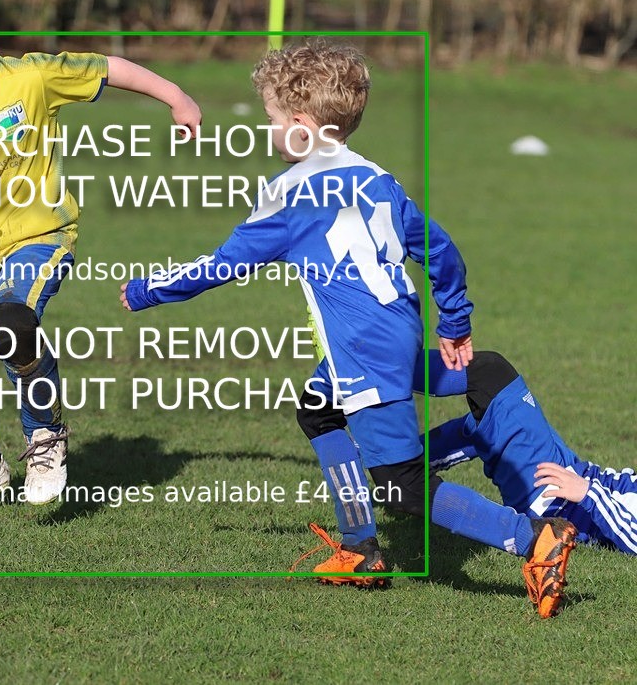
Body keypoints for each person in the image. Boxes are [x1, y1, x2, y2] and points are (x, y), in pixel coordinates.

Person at [121, 41, 575, 618]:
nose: (268, 132)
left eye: (273, 120)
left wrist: (144, 290)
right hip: (398, 324)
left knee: (401, 486)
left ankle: (532, 539)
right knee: (316, 407)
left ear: (304, 128)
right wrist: (454, 319)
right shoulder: (378, 179)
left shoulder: (289, 196)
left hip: (364, 345)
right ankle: (360, 547)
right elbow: (439, 248)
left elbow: (221, 265)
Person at [0, 0, 201, 508]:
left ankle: (45, 437)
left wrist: (175, 95)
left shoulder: (29, 79)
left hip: (42, 234)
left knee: (13, 321)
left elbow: (107, 69)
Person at [423, 351, 637, 555]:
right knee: (489, 420)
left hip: (554, 502)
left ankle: (391, 368)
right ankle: (401, 467)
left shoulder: (582, 493)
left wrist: (586, 491)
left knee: (491, 375)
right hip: (573, 471)